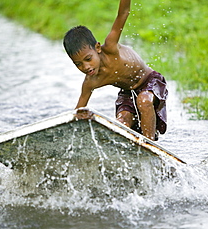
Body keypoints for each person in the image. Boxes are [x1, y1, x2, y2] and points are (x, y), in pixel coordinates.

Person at [63, 0, 168, 141]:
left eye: (88, 59)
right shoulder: (91, 81)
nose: (86, 67)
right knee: (121, 123)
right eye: (78, 64)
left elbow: (123, 13)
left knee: (143, 100)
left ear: (98, 48)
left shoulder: (111, 47)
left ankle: (149, 145)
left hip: (150, 82)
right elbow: (78, 111)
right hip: (128, 92)